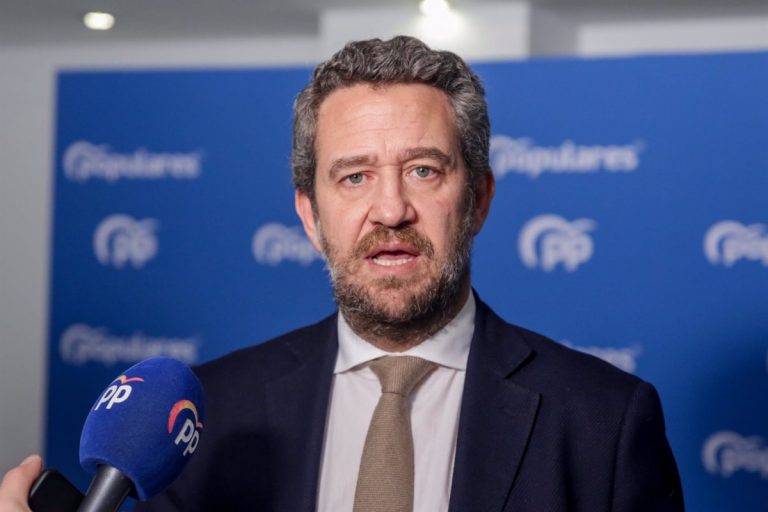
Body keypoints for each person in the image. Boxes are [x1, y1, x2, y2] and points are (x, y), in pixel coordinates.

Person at [0, 36, 683, 511]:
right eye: (354, 176)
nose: (390, 209)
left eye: (424, 170)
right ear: (309, 215)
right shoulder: (205, 418)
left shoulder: (604, 421)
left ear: (478, 199)